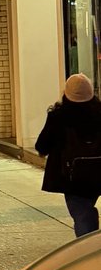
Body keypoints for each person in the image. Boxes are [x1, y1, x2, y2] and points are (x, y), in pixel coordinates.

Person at [35, 72, 101, 237]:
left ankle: (88, 250)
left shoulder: (59, 117)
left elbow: (42, 145)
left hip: (73, 177)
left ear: (66, 93)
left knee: (82, 214)